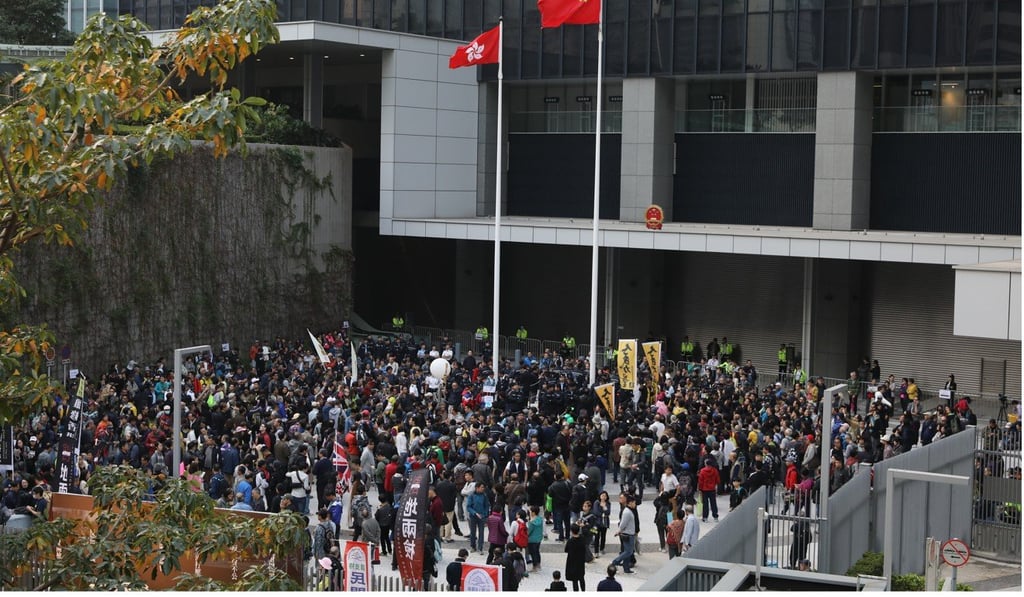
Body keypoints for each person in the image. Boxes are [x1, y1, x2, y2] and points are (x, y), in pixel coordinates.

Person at [610, 493, 636, 574]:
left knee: (627, 551)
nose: (635, 504)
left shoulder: (628, 511)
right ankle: (614, 562)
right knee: (629, 552)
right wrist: (619, 531)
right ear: (630, 503)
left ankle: (626, 568)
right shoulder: (627, 512)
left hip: (629, 533)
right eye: (634, 503)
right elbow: (622, 524)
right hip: (628, 534)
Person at [466, 482, 490, 554]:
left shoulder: (484, 496)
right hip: (473, 516)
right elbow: (468, 507)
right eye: (482, 487)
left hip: (482, 516)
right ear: (477, 488)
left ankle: (480, 547)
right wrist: (475, 513)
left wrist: (485, 515)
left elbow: (486, 506)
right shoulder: (471, 496)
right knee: (473, 532)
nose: (483, 489)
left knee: (481, 532)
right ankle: (473, 546)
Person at [563, 524, 589, 591]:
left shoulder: (570, 541)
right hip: (580, 562)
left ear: (571, 531)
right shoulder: (582, 539)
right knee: (581, 578)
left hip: (572, 562)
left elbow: (566, 550)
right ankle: (583, 591)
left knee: (574, 580)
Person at [697, 458, 720, 522]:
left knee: (705, 504)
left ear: (706, 464)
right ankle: (715, 517)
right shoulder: (715, 470)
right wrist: (715, 484)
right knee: (713, 503)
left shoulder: (702, 471)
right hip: (712, 489)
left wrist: (700, 489)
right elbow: (718, 479)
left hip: (704, 489)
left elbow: (700, 481)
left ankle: (705, 517)